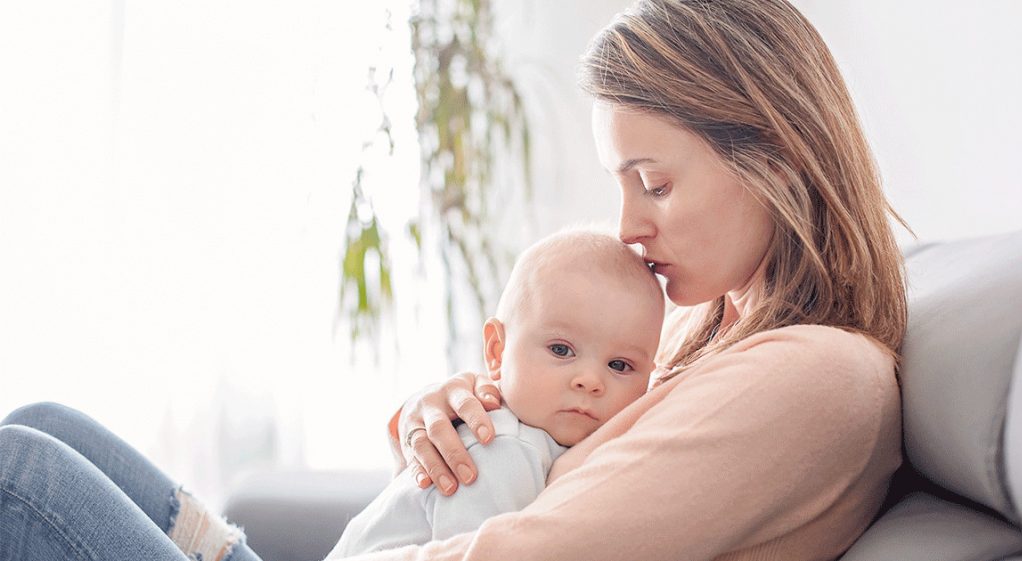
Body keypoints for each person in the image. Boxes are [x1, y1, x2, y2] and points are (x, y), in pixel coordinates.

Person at [0, 1, 909, 560]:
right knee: (44, 426)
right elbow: (540, 471)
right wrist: (455, 412)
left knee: (19, 474)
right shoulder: (699, 338)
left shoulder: (820, 375)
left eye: (656, 182)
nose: (628, 225)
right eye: (619, 185)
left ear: (780, 157)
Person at [325, 229, 664, 557]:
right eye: (561, 350)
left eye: (619, 365)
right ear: (497, 351)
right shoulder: (501, 447)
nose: (590, 380)